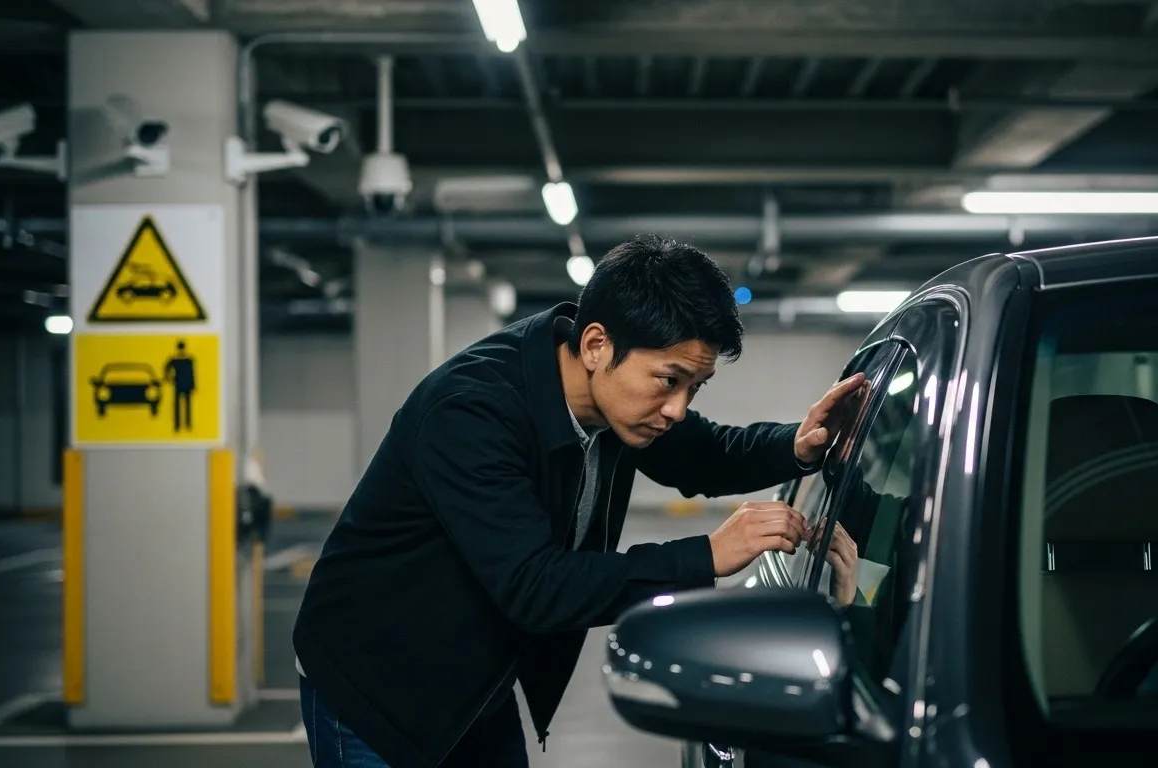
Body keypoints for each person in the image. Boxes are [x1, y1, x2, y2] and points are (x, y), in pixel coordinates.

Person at [292, 234, 867, 768]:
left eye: (694, 387)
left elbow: (706, 452)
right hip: (372, 686)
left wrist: (798, 445)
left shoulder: (618, 406)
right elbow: (535, 587)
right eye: (668, 380)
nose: (677, 407)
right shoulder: (470, 413)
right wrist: (703, 557)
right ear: (596, 345)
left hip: (471, 683)